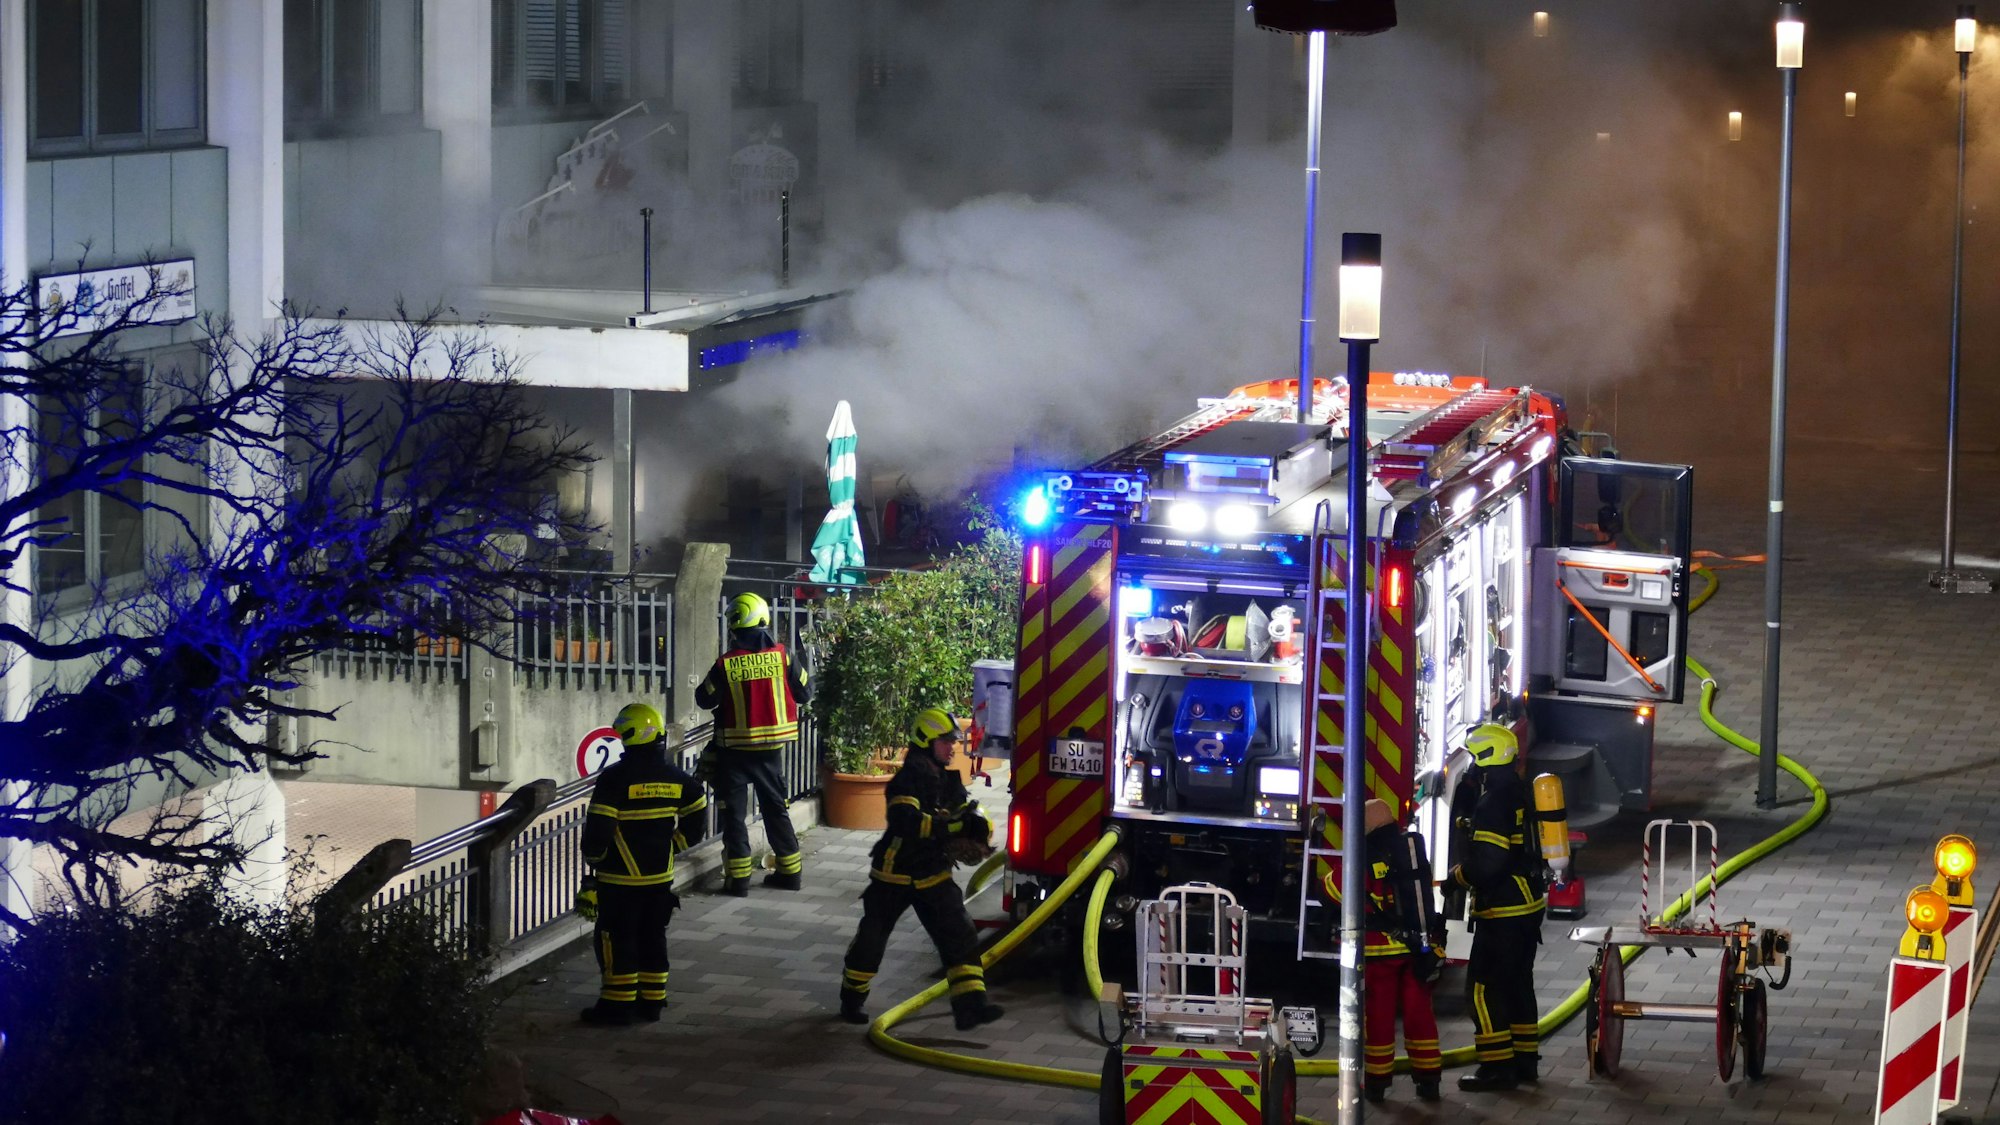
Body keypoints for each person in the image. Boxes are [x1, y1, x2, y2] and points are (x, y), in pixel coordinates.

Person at [837, 707, 1004, 1031]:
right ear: (926, 740)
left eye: (953, 741)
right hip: (895, 872)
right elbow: (906, 822)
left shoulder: (943, 776)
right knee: (872, 939)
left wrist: (976, 825)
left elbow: (960, 809)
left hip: (932, 871)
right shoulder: (909, 778)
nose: (952, 747)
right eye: (945, 741)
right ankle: (851, 998)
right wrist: (953, 829)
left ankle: (971, 1006)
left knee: (959, 934)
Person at [577, 702, 708, 1026]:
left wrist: (595, 861)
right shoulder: (677, 778)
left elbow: (598, 830)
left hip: (619, 879)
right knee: (653, 936)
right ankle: (652, 1001)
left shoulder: (615, 779)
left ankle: (615, 1007)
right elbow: (697, 811)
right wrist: (675, 845)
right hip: (659, 878)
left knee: (616, 938)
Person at [1447, 722, 1546, 1091]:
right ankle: (1524, 1062)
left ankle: (1496, 1067)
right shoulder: (1517, 789)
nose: (1471, 765)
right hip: (1528, 904)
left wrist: (1458, 878)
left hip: (1503, 909)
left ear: (1486, 757)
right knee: (1519, 983)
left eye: (1474, 757)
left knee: (1484, 988)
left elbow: (1490, 862)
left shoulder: (1493, 802)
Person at [695, 592, 810, 896]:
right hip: (772, 752)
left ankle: (738, 881)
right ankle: (790, 874)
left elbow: (704, 698)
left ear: (734, 626)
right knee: (776, 810)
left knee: (733, 816)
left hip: (733, 752)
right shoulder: (783, 656)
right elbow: (805, 692)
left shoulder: (725, 664)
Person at [1360, 799, 1442, 1103]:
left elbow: (1337, 889)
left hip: (1380, 952)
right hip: (1417, 946)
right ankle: (1429, 1081)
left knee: (1379, 1017)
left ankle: (1378, 1084)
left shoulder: (1365, 854)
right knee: (1420, 1015)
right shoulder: (1409, 848)